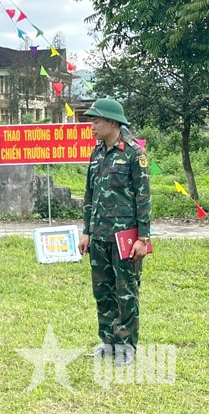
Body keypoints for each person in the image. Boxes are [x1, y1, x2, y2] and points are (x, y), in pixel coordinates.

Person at [77, 98, 151, 366]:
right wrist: (86, 231)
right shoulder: (97, 153)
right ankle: (107, 342)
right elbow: (89, 194)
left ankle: (126, 346)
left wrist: (143, 239)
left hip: (125, 238)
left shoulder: (134, 154)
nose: (92, 126)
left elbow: (143, 199)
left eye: (96, 121)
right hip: (99, 236)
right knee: (103, 291)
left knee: (126, 292)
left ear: (112, 122)